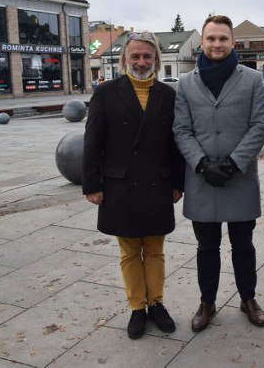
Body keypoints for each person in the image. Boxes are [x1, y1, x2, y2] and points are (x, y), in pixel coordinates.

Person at [82, 31, 186, 340]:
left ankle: (157, 304)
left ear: (156, 59)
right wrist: (92, 184)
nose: (141, 62)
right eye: (135, 56)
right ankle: (137, 308)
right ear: (125, 58)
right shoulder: (106, 92)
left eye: (147, 56)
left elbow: (175, 143)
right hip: (120, 185)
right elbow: (93, 141)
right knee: (129, 252)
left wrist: (177, 182)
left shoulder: (168, 95)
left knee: (155, 250)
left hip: (157, 183)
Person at [173, 15, 264, 332]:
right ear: (202, 42)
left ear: (232, 43)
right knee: (206, 247)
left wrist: (232, 162)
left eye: (223, 38)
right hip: (202, 179)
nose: (217, 44)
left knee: (244, 245)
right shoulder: (186, 83)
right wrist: (201, 163)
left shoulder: (253, 80)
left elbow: (259, 126)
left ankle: (248, 298)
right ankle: (207, 301)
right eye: (211, 38)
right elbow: (181, 129)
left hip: (239, 177)